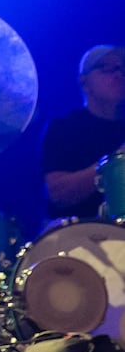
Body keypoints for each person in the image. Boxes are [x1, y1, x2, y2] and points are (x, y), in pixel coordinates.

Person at [40, 44, 125, 220]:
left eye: (121, 69)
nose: (118, 75)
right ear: (84, 82)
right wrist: (116, 163)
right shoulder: (64, 128)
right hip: (80, 238)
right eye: (107, 68)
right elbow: (59, 194)